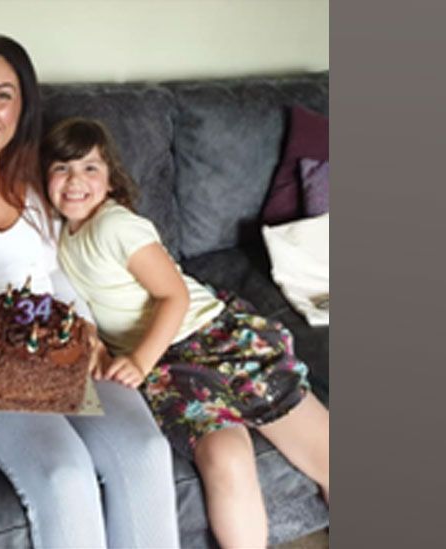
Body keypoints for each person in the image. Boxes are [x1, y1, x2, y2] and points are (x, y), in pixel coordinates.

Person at [0, 35, 180, 548]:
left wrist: (85, 329)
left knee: (144, 450)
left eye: (2, 94)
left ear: (23, 105)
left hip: (58, 340)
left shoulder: (36, 180)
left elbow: (59, 275)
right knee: (65, 474)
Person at [41, 117, 330, 548]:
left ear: (111, 179)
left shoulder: (116, 225)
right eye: (62, 168)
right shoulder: (61, 238)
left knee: (324, 453)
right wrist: (100, 347)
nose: (75, 180)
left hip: (211, 334)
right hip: (170, 367)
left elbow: (173, 296)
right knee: (225, 456)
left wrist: (138, 360)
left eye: (90, 168)